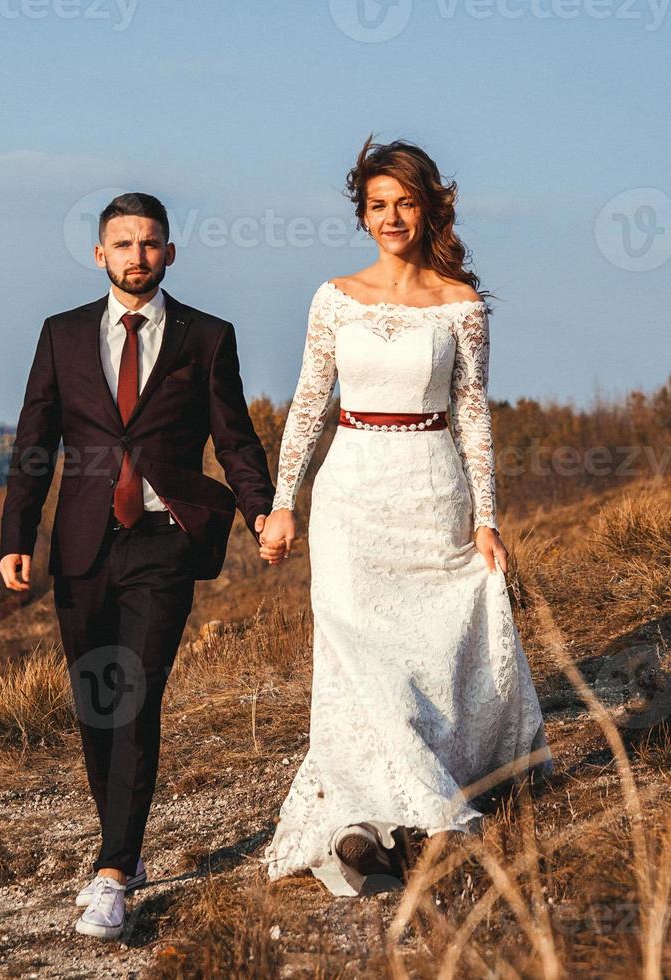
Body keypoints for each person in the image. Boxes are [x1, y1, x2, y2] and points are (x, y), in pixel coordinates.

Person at [257, 137, 552, 896]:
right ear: (362, 213)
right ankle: (361, 818)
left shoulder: (461, 306)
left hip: (431, 487)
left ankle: (418, 801)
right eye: (377, 205)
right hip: (350, 491)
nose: (390, 217)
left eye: (404, 203)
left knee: (426, 653)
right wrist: (283, 503)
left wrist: (488, 517)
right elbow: (309, 405)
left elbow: (474, 415)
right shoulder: (334, 298)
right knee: (357, 653)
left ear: (429, 209)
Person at [0, 192, 276, 936]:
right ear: (100, 255)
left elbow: (236, 440)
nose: (137, 256)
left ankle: (114, 871)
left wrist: (262, 513)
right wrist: (15, 535)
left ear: (170, 254)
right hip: (83, 544)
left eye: (150, 243)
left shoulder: (206, 337)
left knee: (135, 696)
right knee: (96, 699)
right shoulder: (60, 336)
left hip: (163, 541)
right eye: (123, 244)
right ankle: (123, 844)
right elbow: (35, 441)